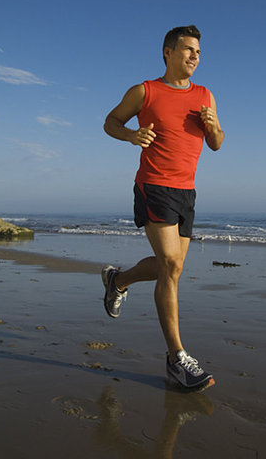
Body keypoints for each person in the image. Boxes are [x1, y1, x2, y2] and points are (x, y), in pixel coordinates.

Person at [102, 25, 224, 389]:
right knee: (171, 266)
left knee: (172, 268)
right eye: (187, 50)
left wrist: (214, 126)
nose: (194, 57)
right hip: (154, 185)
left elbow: (216, 144)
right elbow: (110, 122)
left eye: (198, 52)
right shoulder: (145, 90)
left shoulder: (205, 95)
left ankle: (117, 280)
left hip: (187, 191)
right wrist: (131, 135)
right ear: (168, 53)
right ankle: (177, 359)